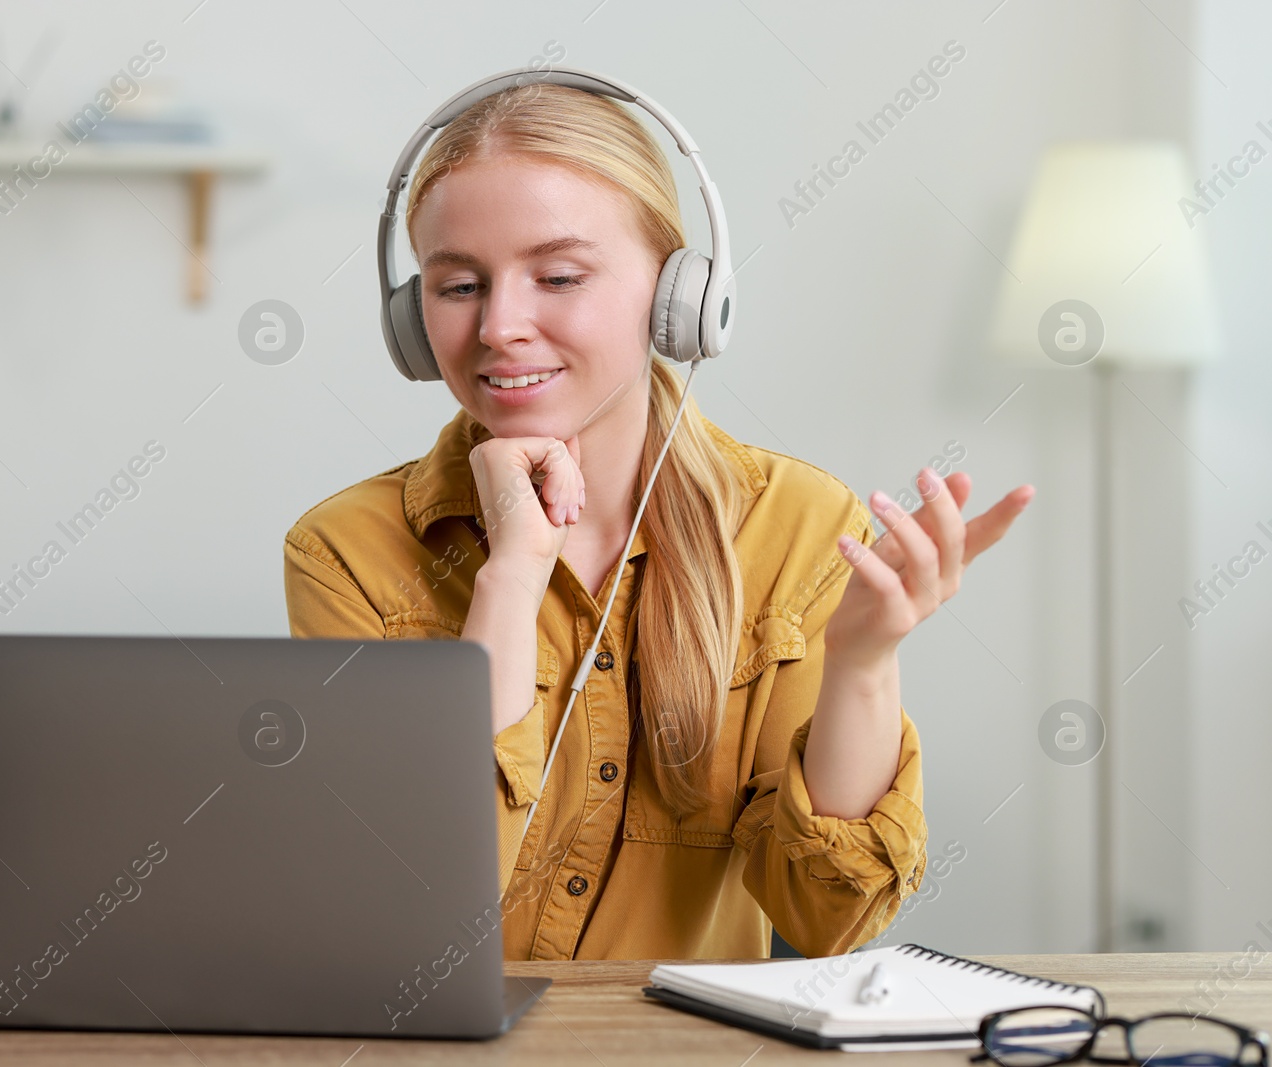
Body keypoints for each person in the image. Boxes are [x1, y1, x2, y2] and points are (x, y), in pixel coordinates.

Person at [283, 82, 1034, 960]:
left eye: (559, 277)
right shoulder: (346, 550)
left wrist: (863, 664)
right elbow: (411, 919)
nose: (499, 326)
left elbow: (826, 918)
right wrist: (512, 577)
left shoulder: (795, 524)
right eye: (458, 285)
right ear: (413, 320)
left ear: (680, 296)